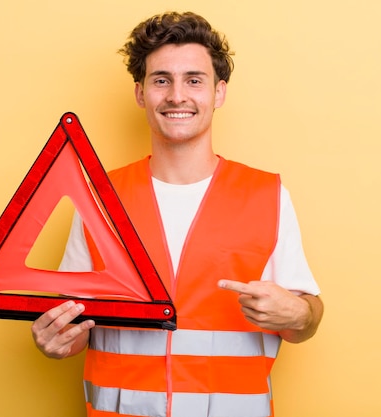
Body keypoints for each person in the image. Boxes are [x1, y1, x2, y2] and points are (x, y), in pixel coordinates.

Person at [31, 11, 323, 417]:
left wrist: (301, 314)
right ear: (140, 92)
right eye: (161, 80)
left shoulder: (266, 196)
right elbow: (75, 327)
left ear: (219, 93)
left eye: (194, 80)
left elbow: (306, 317)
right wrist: (55, 340)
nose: (177, 96)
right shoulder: (100, 199)